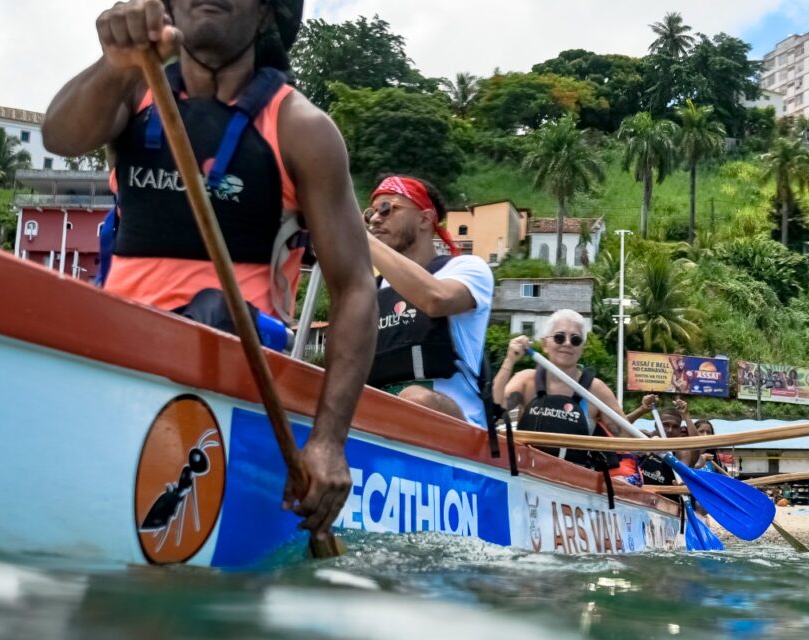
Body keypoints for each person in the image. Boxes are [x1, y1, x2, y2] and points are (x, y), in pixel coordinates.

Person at [42, 0, 377, 539]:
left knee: (213, 313)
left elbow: (356, 287)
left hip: (238, 361)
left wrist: (328, 441)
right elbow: (59, 137)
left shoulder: (301, 128)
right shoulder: (133, 87)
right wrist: (116, 61)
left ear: (268, 14)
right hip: (120, 345)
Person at [364, 175, 494, 426]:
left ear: (424, 219)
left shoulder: (468, 268)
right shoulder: (371, 289)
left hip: (456, 426)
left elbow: (436, 300)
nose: (376, 219)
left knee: (414, 399)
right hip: (381, 416)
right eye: (370, 214)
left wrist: (364, 238)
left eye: (387, 209)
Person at [495, 310, 646, 471]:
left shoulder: (596, 389)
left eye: (575, 339)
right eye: (559, 337)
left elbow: (626, 437)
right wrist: (509, 360)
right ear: (545, 344)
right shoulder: (526, 380)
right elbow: (493, 410)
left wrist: (651, 444)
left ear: (582, 348)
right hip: (527, 475)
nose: (567, 343)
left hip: (574, 483)